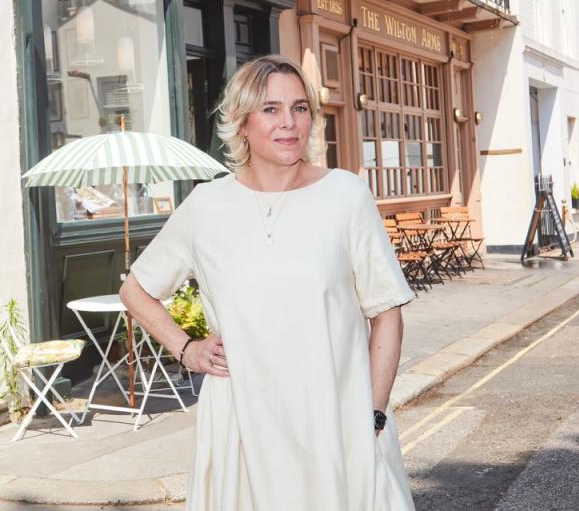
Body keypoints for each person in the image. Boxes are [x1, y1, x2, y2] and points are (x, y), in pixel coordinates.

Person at [120, 55, 416, 510]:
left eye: (300, 108)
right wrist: (187, 348)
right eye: (271, 109)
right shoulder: (206, 206)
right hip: (243, 426)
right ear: (241, 123)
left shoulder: (345, 195)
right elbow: (135, 290)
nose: (289, 123)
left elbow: (386, 311)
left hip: (334, 421)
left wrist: (372, 413)